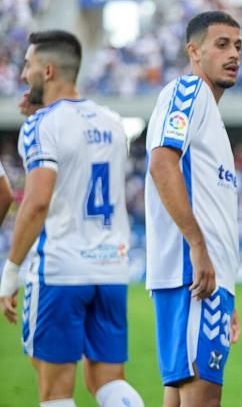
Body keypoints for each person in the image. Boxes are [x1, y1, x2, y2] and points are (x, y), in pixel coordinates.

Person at [0, 30, 143, 407]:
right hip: (110, 268)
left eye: (27, 66)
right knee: (108, 382)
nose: (22, 75)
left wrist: (10, 271)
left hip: (61, 270)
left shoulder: (40, 125)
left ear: (47, 71)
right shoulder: (113, 122)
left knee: (55, 391)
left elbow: (36, 202)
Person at [145, 11, 242, 407]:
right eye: (222, 45)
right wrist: (198, 248)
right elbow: (161, 162)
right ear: (194, 51)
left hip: (207, 280)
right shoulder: (189, 91)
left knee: (180, 398)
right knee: (202, 400)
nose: (233, 53)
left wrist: (230, 294)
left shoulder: (212, 118)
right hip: (195, 276)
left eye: (238, 46)